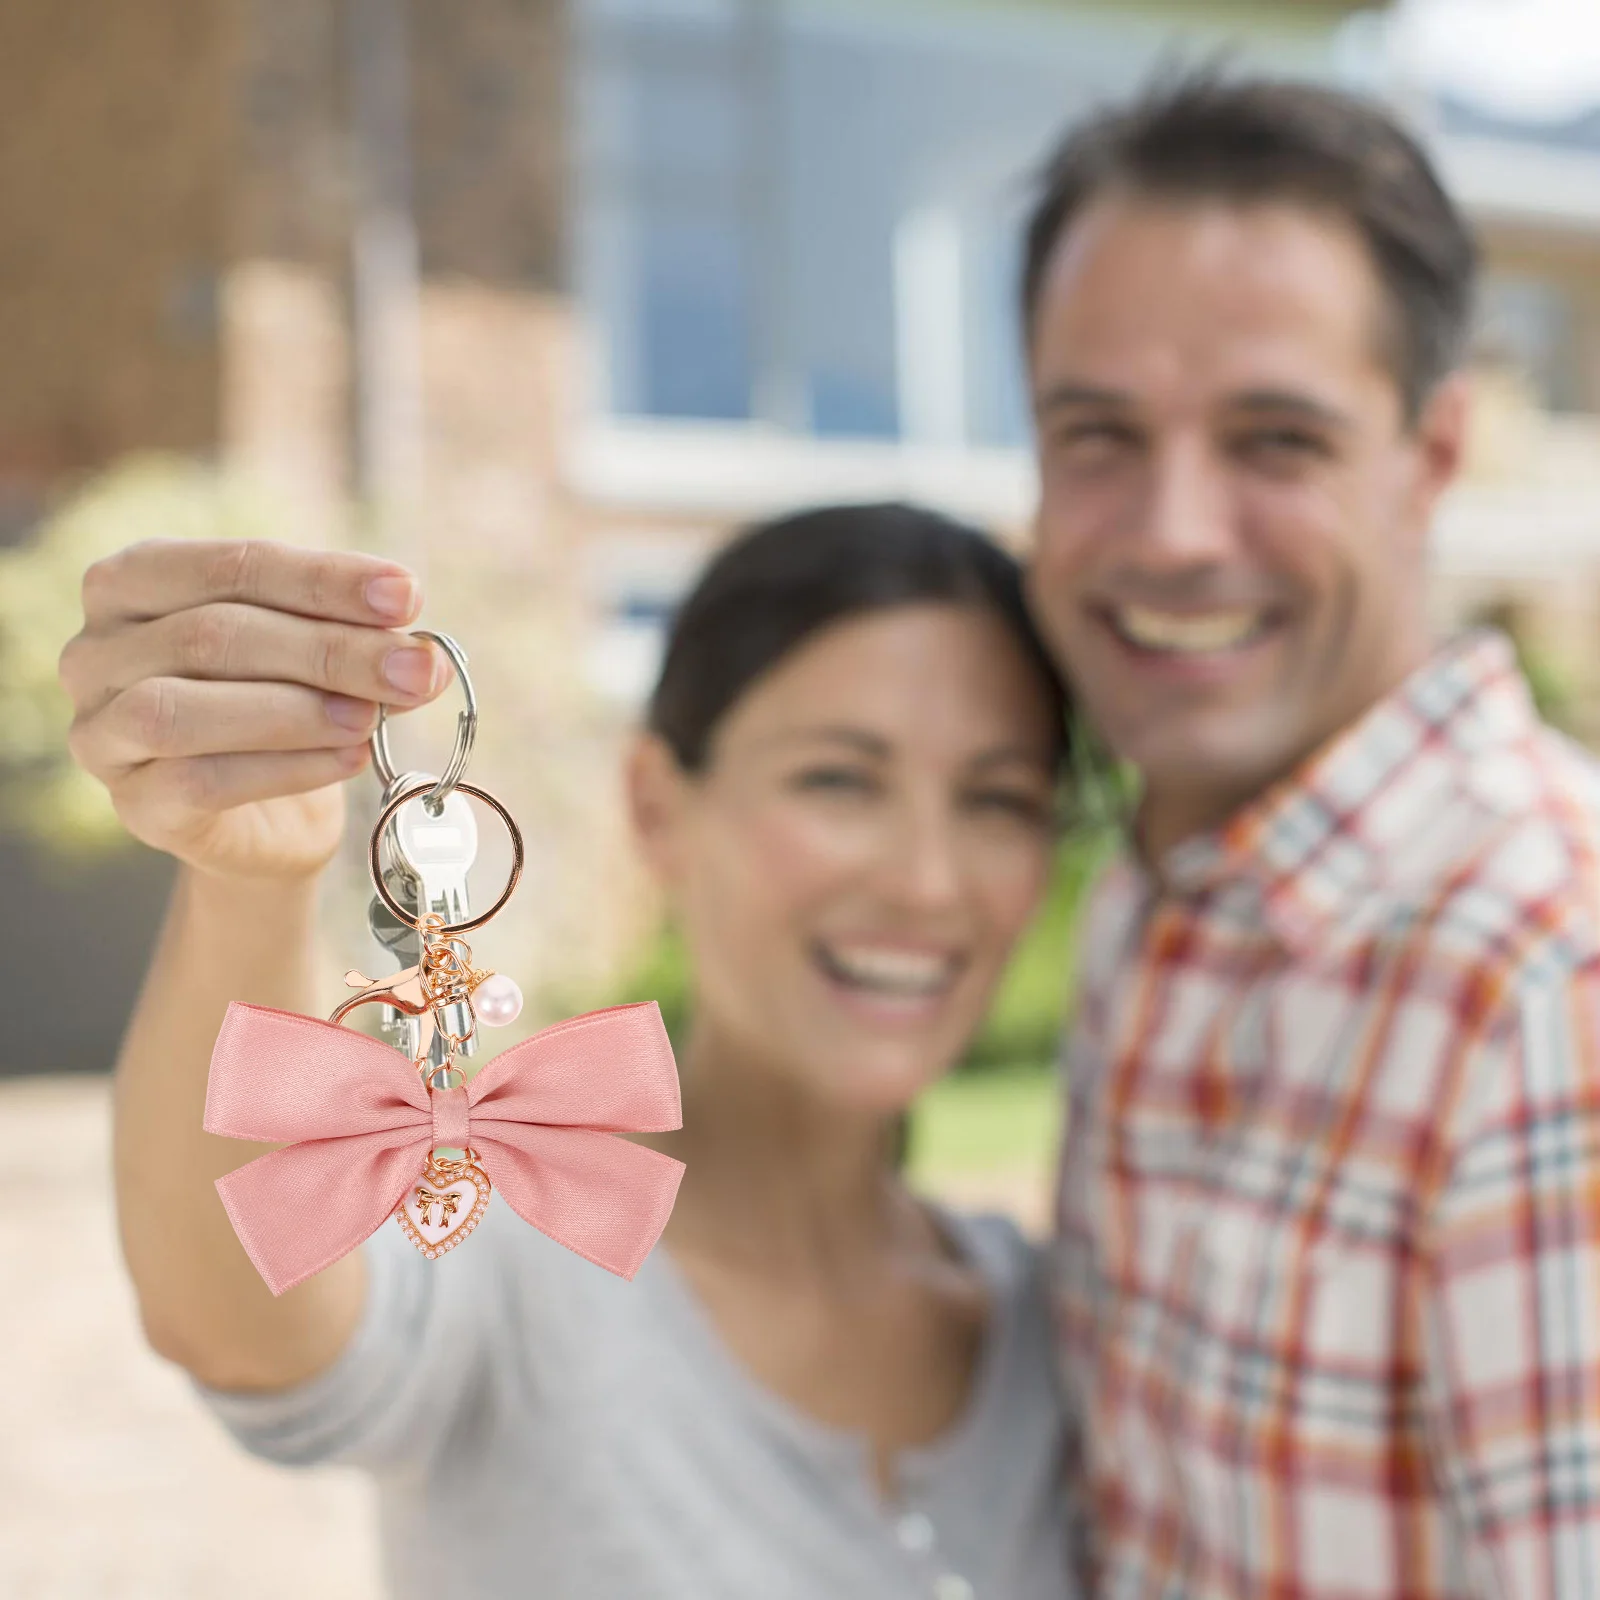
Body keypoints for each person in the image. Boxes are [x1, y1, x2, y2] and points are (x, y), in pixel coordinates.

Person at [61, 503, 1081, 1599]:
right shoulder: (522, 1250)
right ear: (655, 806)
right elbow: (244, 1326)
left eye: (998, 797)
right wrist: (250, 882)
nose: (927, 880)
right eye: (838, 779)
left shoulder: (1058, 1333)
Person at [1020, 74, 1600, 1597]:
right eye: (1099, 435)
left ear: (1436, 453)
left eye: (1275, 439)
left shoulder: (1549, 985)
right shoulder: (1161, 892)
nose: (1174, 531)